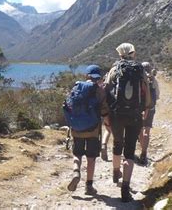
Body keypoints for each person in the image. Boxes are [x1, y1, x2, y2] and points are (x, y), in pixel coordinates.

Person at [104, 43, 152, 203]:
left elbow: (106, 90)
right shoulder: (140, 69)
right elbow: (146, 90)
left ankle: (116, 172)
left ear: (120, 54)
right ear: (132, 53)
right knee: (130, 151)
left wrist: (106, 114)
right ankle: (125, 188)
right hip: (135, 114)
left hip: (117, 114)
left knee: (117, 144)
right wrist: (146, 108)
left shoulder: (114, 69)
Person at [66, 65, 111, 194]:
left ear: (87, 76)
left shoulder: (76, 87)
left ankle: (76, 172)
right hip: (93, 130)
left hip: (77, 129)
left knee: (77, 154)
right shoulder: (99, 91)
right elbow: (104, 111)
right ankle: (89, 186)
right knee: (91, 158)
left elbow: (69, 106)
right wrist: (108, 124)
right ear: (99, 77)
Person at [137, 62, 160, 166]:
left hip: (139, 108)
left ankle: (141, 149)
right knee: (147, 130)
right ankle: (144, 153)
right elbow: (157, 95)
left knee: (140, 130)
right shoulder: (153, 80)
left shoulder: (138, 79)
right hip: (150, 108)